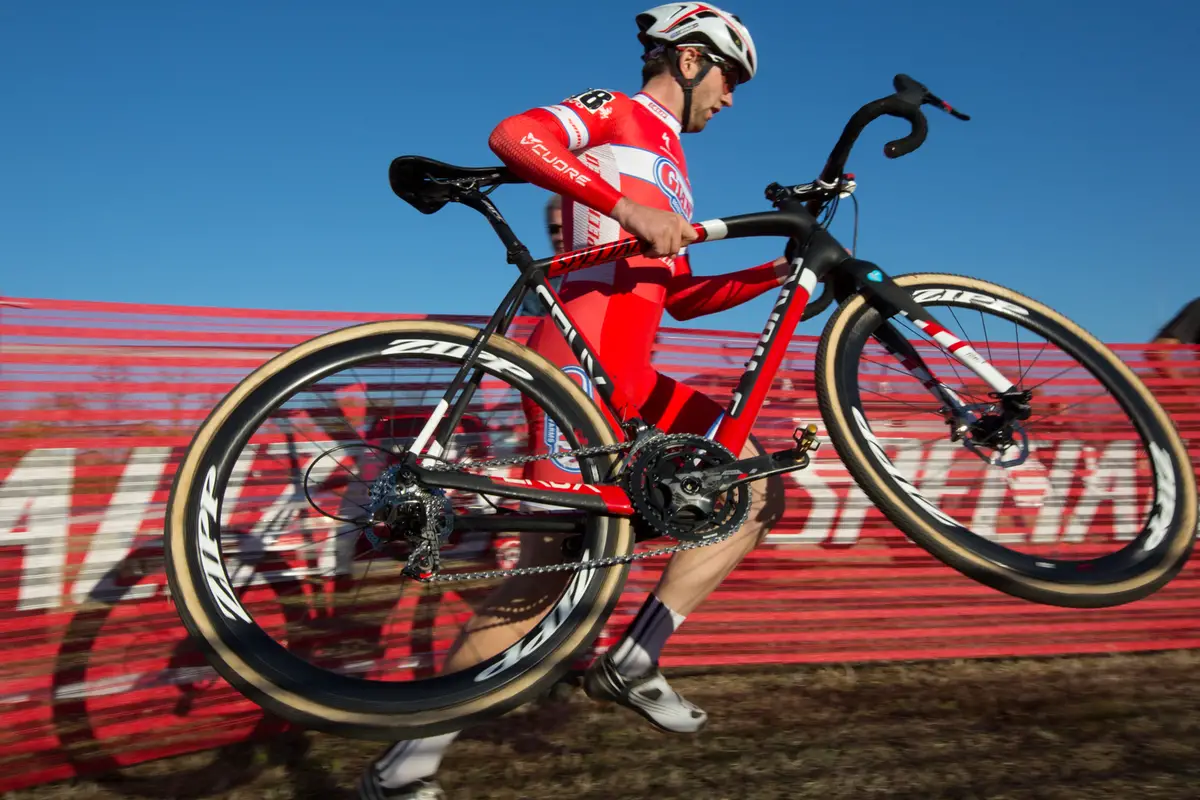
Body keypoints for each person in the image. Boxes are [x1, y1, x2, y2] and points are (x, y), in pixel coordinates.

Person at [360, 5, 791, 797]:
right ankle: (407, 763)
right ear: (691, 60)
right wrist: (628, 208)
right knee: (547, 582)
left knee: (754, 482)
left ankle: (636, 656)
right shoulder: (617, 109)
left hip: (634, 379)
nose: (732, 100)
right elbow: (514, 135)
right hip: (579, 370)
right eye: (731, 78)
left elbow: (681, 296)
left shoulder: (670, 158)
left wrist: (781, 274)